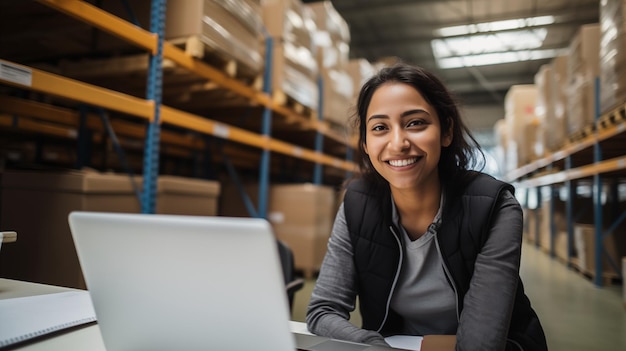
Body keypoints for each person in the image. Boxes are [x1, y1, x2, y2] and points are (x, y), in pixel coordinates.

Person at [306, 62, 548, 351]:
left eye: (415, 123)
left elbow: (480, 345)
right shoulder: (358, 203)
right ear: (366, 144)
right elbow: (322, 310)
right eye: (380, 127)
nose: (398, 143)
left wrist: (420, 346)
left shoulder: (494, 207)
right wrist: (372, 344)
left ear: (446, 131)